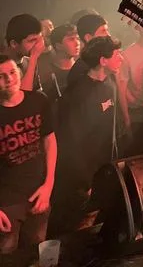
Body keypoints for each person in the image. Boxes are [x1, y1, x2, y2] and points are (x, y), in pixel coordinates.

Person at [50, 36, 122, 235]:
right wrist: (86, 181)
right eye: (117, 55)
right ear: (103, 60)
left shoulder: (110, 83)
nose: (121, 58)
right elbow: (72, 141)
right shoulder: (79, 94)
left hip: (104, 169)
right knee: (75, 227)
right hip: (81, 179)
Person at [0, 54, 57, 254]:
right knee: (7, 255)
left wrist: (48, 185)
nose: (9, 79)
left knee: (36, 251)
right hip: (6, 202)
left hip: (39, 193)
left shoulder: (38, 101)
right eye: (1, 76)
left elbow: (49, 141)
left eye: (12, 72)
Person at [38, 23, 81, 110]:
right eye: (71, 39)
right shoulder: (47, 74)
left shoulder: (83, 68)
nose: (77, 43)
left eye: (78, 38)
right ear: (58, 45)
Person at [4, 14, 45, 92]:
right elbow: (22, 97)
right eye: (32, 40)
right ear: (14, 44)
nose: (38, 45)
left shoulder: (29, 61)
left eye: (40, 39)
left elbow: (36, 93)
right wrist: (33, 58)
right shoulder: (2, 67)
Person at [67, 13, 110, 86]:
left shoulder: (106, 59)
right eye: (103, 31)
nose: (108, 35)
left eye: (107, 30)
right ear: (88, 38)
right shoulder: (81, 70)